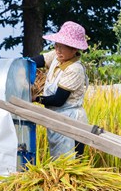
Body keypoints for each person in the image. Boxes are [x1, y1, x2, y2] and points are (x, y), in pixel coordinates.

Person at [30, 21, 89, 159]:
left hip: (71, 121)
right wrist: (21, 63)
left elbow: (58, 100)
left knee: (70, 164)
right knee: (58, 162)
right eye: (56, 46)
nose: (58, 50)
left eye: (62, 47)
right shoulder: (57, 57)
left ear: (74, 49)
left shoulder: (75, 69)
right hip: (57, 119)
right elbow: (37, 60)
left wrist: (36, 98)